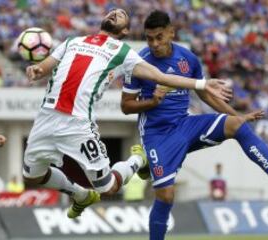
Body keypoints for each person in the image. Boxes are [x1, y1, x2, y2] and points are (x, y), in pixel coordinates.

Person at [22, 8, 231, 219]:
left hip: (77, 123)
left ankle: (138, 159)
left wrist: (202, 83)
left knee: (108, 187)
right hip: (46, 117)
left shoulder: (122, 52)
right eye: (112, 12)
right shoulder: (72, 41)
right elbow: (45, 66)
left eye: (121, 15)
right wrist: (37, 69)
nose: (115, 14)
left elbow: (161, 77)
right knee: (32, 175)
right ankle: (80, 195)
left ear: (124, 31)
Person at [121, 10, 268, 240]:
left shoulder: (187, 59)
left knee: (236, 126)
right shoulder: (140, 64)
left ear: (171, 33)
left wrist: (237, 115)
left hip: (186, 125)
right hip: (157, 135)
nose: (154, 44)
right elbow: (126, 106)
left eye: (159, 37)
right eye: (149, 38)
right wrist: (153, 101)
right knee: (166, 197)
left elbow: (205, 95)